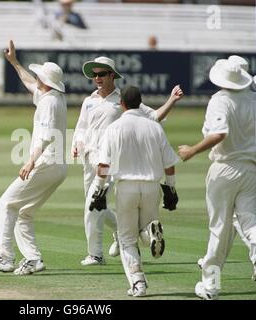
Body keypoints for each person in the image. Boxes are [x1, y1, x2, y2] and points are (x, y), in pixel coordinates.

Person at [72, 56, 184, 266]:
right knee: (97, 205)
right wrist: (76, 144)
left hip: (112, 162)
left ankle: (95, 254)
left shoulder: (122, 99)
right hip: (90, 160)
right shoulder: (89, 101)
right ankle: (117, 231)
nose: (97, 78)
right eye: (94, 75)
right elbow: (81, 128)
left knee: (91, 207)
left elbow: (154, 117)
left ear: (112, 75)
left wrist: (171, 100)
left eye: (102, 74)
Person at [0, 40, 67, 275]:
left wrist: (31, 161)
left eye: (39, 76)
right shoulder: (52, 96)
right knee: (24, 212)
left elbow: (47, 137)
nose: (36, 78)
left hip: (46, 162)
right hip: (57, 166)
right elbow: (30, 83)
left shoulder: (49, 102)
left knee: (5, 204)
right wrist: (14, 62)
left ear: (46, 82)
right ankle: (33, 259)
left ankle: (4, 257)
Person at [178, 57, 256, 300]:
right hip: (250, 170)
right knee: (250, 223)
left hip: (224, 169)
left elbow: (219, 133)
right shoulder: (253, 100)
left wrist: (192, 150)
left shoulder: (220, 101)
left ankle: (211, 286)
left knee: (219, 229)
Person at [95, 85, 180, 297]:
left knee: (126, 240)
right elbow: (169, 162)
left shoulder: (113, 128)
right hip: (152, 186)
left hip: (126, 188)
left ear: (121, 104)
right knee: (144, 231)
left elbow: (103, 165)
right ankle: (151, 232)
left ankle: (138, 283)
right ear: (140, 102)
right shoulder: (154, 127)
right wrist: (171, 187)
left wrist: (98, 190)